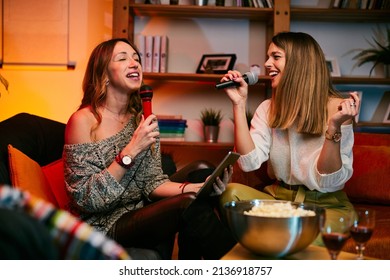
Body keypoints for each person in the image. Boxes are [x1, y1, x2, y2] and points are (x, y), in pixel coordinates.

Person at [62, 38, 236, 260]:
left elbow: (152, 182)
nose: (134, 63)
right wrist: (131, 151)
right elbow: (86, 200)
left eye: (136, 58)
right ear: (103, 74)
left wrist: (199, 187)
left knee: (203, 170)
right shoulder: (83, 121)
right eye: (123, 58)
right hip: (103, 224)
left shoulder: (141, 119)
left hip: (138, 208)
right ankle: (238, 264)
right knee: (187, 205)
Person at [219, 32, 360, 245]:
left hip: (326, 205)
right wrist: (239, 105)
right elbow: (249, 162)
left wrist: (334, 126)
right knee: (230, 194)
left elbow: (328, 180)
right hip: (279, 201)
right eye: (268, 57)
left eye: (276, 57)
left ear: (298, 63)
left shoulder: (337, 109)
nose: (267, 63)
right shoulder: (268, 108)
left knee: (299, 241)